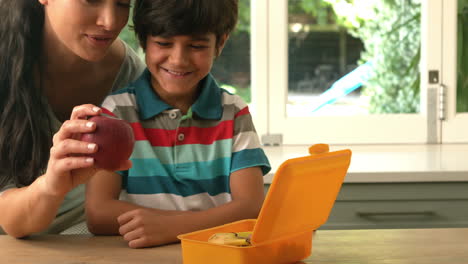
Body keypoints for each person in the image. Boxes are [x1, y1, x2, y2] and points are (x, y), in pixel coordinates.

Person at [85, 0, 271, 248]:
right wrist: (194, 224)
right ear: (143, 39)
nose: (178, 60)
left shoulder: (234, 112)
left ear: (221, 43)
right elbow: (98, 213)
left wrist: (174, 228)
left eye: (196, 46)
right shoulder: (117, 112)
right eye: (163, 43)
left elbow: (251, 208)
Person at [0, 0, 145, 237]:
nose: (110, 22)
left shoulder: (131, 76)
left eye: (122, 4)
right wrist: (51, 186)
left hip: (84, 240)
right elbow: (12, 222)